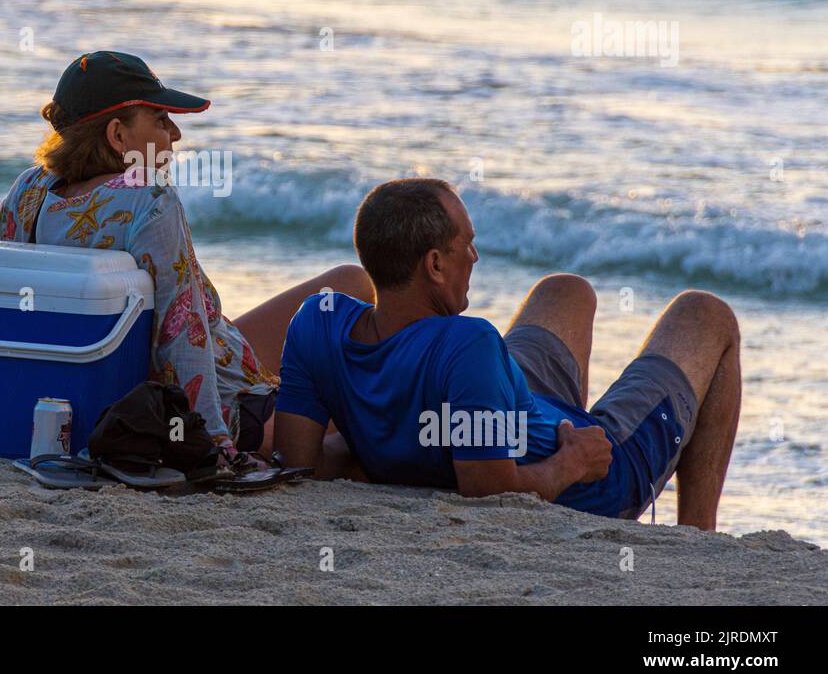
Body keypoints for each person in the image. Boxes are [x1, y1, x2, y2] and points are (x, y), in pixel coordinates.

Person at [0, 51, 374, 465]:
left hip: (125, 376)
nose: (176, 134)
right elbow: (181, 334)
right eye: (160, 119)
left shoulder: (30, 192)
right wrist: (216, 444)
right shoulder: (150, 200)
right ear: (118, 135)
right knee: (354, 375)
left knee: (346, 284)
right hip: (215, 401)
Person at [275, 178, 742, 529]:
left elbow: (301, 463)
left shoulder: (318, 319)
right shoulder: (469, 343)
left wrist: (376, 441)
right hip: (598, 467)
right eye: (466, 244)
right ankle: (697, 536)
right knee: (707, 314)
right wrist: (574, 463)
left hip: (501, 401)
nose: (475, 257)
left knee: (566, 290)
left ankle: (557, 425)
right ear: (435, 265)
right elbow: (488, 491)